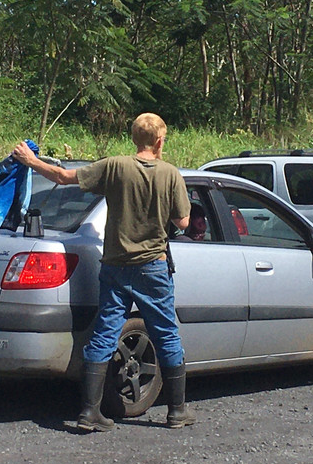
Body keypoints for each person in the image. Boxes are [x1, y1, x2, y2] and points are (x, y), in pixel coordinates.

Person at [11, 113, 195, 431]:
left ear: (134, 138)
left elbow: (63, 177)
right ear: (160, 141)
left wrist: (30, 161)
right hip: (153, 267)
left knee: (105, 332)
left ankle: (89, 412)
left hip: (115, 266)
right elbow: (183, 223)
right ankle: (177, 411)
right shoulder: (170, 174)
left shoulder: (114, 166)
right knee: (165, 333)